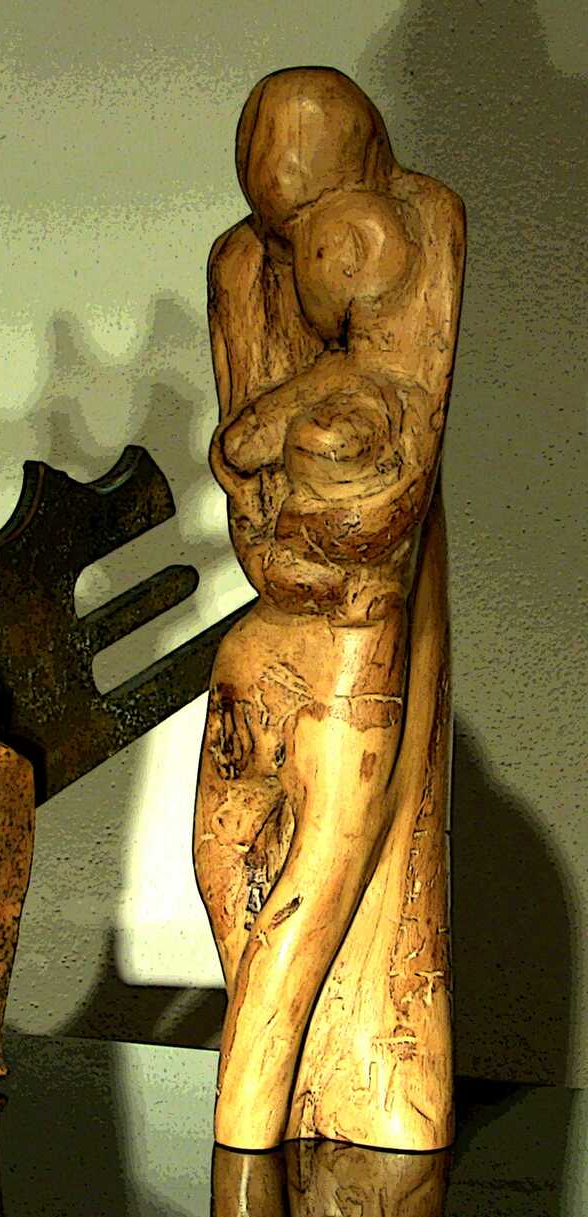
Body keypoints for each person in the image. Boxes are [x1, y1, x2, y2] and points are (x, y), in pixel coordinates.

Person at [194, 68, 465, 1150]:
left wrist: (294, 463)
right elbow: (248, 495)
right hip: (277, 634)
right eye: (282, 220)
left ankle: (279, 1111)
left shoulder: (422, 223)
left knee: (315, 908)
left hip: (363, 645)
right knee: (232, 867)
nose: (314, 252)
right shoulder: (240, 266)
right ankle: (273, 1101)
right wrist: (284, 511)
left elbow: (394, 483)